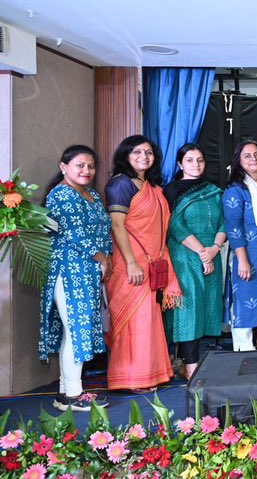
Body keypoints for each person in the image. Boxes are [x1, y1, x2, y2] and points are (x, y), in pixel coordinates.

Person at [39, 145, 112, 411]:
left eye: (91, 166)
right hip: (69, 270)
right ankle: (72, 394)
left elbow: (104, 230)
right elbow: (75, 234)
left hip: (88, 270)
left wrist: (106, 259)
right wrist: (103, 260)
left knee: (75, 331)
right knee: (76, 331)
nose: (86, 171)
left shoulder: (92, 194)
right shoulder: (61, 194)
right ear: (64, 167)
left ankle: (65, 391)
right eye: (80, 165)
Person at [104, 135, 179, 392]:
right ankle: (129, 377)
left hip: (152, 263)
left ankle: (151, 374)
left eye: (148, 152)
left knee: (149, 319)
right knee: (134, 320)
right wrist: (131, 262)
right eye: (137, 152)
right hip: (131, 263)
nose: (143, 157)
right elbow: (117, 225)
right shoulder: (120, 184)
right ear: (125, 156)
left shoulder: (152, 187)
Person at [162, 143, 226, 381]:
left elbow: (224, 222)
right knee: (187, 309)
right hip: (185, 255)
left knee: (205, 307)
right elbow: (175, 226)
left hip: (212, 254)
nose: (196, 164)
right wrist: (202, 252)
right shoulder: (172, 191)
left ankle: (184, 363)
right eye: (189, 160)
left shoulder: (213, 190)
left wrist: (214, 249)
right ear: (180, 164)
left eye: (200, 160)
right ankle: (191, 367)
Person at [222, 139, 257, 351]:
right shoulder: (235, 190)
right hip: (247, 256)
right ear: (239, 161)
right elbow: (233, 228)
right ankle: (244, 348)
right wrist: (243, 261)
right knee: (245, 299)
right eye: (247, 156)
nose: (253, 159)